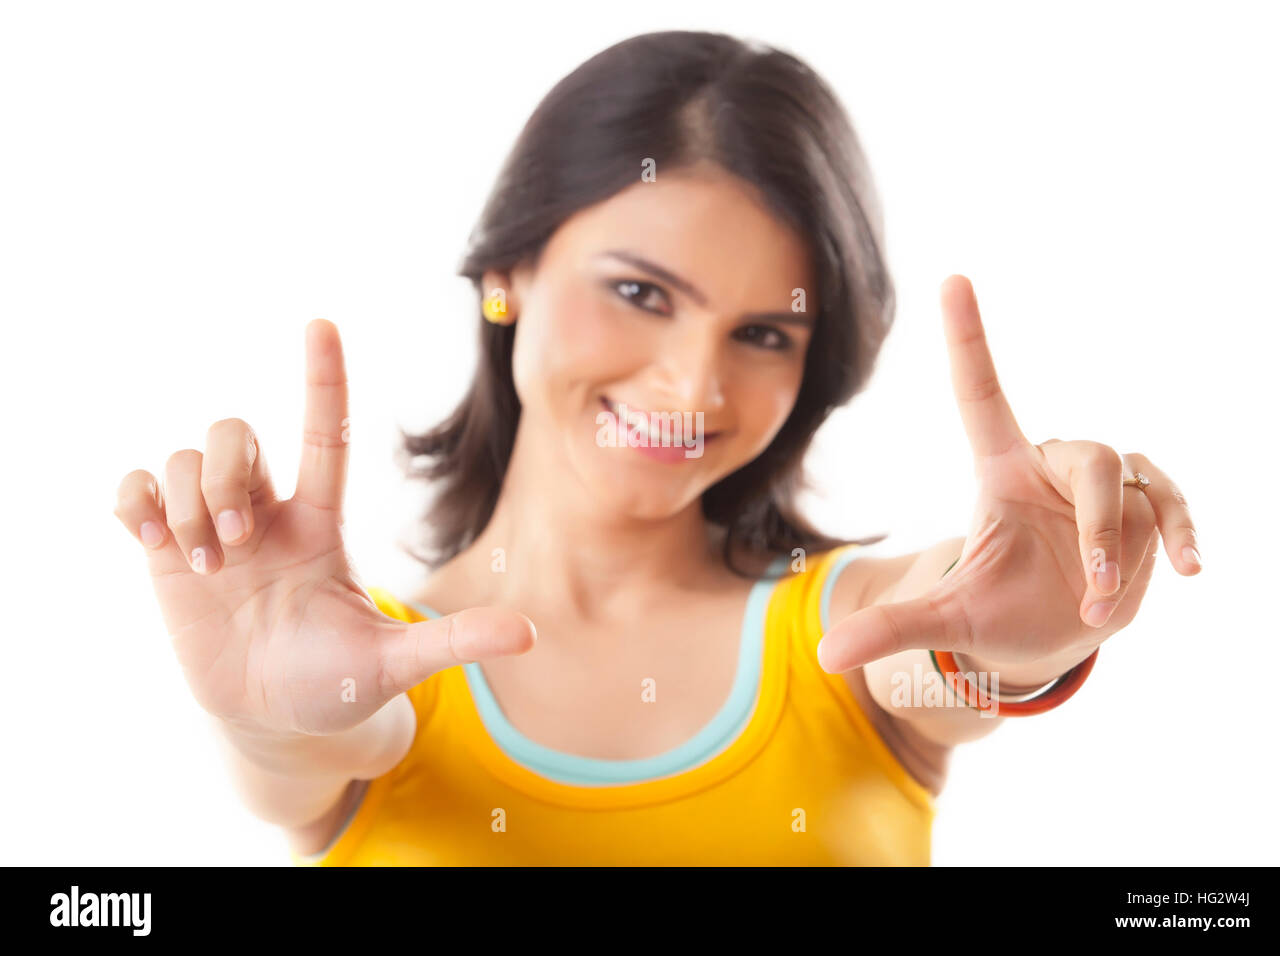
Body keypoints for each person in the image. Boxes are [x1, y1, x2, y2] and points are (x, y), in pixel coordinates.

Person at [112, 31, 1201, 866]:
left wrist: (1031, 639)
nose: (692, 384)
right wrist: (255, 717)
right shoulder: (361, 671)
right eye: (639, 291)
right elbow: (301, 742)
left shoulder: (853, 638)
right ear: (509, 273)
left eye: (763, 332)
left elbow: (955, 645)